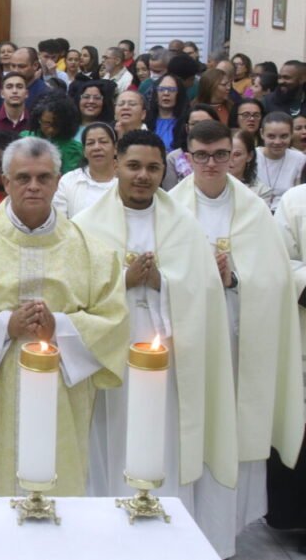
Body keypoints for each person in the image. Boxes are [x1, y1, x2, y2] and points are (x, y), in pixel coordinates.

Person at [0, 136, 128, 495]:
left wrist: (60, 327)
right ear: (6, 181)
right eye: (23, 178)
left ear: (58, 180)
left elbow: (112, 317)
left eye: (43, 177)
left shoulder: (89, 248)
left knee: (55, 484)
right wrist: (5, 325)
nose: (33, 186)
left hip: (61, 390)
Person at [73, 131, 238, 557]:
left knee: (163, 440)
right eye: (134, 166)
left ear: (164, 171)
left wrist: (162, 282)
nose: (143, 176)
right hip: (110, 357)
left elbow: (204, 292)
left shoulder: (185, 226)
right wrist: (123, 282)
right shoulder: (87, 225)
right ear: (115, 167)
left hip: (170, 355)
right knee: (111, 442)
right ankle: (108, 537)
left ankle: (167, 538)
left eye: (152, 168)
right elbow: (73, 296)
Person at [170, 121, 304, 557]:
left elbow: (276, 280)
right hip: (186, 343)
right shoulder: (170, 207)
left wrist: (234, 279)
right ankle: (182, 528)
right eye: (202, 155)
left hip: (234, 342)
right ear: (187, 156)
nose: (211, 163)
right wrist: (195, 277)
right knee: (188, 432)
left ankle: (222, 537)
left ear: (237, 156)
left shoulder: (253, 211)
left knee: (227, 431)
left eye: (221, 154)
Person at [52, 122, 118, 218]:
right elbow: (59, 222)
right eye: (90, 143)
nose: (97, 147)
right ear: (84, 151)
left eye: (103, 142)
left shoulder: (126, 180)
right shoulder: (69, 181)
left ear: (115, 148)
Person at [21, 91, 83, 173]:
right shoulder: (24, 139)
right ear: (38, 119)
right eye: (46, 123)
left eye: (57, 125)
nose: (51, 130)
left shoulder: (73, 149)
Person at [255, 112, 306, 210]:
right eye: (271, 136)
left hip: (287, 214)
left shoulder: (299, 159)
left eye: (283, 136)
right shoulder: (252, 157)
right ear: (262, 133)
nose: (277, 142)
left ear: (291, 134)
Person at [228, 128, 272, 203]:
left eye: (237, 154)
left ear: (249, 156)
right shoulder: (207, 185)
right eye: (225, 153)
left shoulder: (261, 191)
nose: (230, 159)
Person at [145, 74, 187, 150]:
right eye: (161, 89)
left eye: (171, 90)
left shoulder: (186, 123)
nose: (166, 93)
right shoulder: (146, 121)